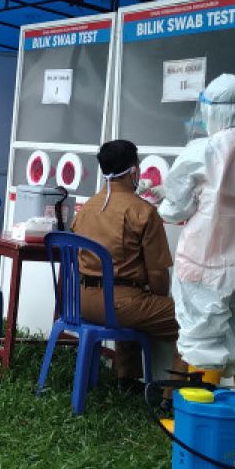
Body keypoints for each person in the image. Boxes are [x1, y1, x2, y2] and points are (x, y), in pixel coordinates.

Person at [146, 74, 235, 390]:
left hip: (204, 265)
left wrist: (164, 199)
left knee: (202, 341)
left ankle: (195, 426)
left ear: (212, 110)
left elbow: (175, 209)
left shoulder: (201, 151)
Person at [70, 139, 186, 385]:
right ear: (134, 171)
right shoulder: (143, 212)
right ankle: (172, 395)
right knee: (191, 320)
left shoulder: (86, 208)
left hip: (79, 302)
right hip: (119, 307)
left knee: (131, 296)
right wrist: (158, 299)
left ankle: (127, 378)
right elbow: (158, 274)